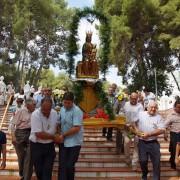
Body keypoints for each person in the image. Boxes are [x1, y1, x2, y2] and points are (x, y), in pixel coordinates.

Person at [29, 97, 60, 180]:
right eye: (44, 110)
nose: (46, 112)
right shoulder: (35, 114)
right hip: (37, 146)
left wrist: (57, 134)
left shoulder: (54, 113)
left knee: (47, 170)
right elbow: (39, 134)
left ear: (51, 108)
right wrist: (54, 137)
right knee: (39, 170)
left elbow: (56, 125)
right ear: (40, 106)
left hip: (49, 146)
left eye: (48, 110)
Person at [134, 101, 165, 180]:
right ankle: (145, 173)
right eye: (151, 107)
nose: (153, 109)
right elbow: (133, 123)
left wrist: (149, 134)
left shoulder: (159, 117)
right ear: (147, 107)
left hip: (153, 143)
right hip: (142, 143)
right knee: (143, 161)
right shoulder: (140, 114)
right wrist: (136, 131)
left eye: (155, 107)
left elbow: (161, 130)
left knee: (156, 163)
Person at [58, 92, 83, 180]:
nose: (66, 105)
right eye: (65, 102)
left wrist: (63, 135)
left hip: (74, 142)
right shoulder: (62, 109)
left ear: (73, 102)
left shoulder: (77, 111)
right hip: (63, 142)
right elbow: (59, 122)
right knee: (62, 165)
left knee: (69, 165)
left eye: (69, 103)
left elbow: (76, 128)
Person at [13, 98, 36, 180]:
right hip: (20, 133)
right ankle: (22, 174)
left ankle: (26, 178)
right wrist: (13, 137)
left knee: (29, 157)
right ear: (28, 105)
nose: (35, 106)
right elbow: (12, 125)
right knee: (21, 157)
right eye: (34, 105)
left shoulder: (35, 112)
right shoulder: (21, 111)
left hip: (31, 133)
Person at [123, 92, 144, 170]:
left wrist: (135, 126)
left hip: (137, 129)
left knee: (137, 146)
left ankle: (134, 163)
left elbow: (141, 116)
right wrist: (124, 124)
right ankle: (127, 160)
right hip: (127, 129)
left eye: (135, 98)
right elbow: (122, 114)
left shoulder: (140, 106)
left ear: (137, 98)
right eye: (132, 98)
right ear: (130, 98)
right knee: (127, 143)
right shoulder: (126, 104)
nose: (134, 100)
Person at [165, 99, 180, 169]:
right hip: (174, 134)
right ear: (175, 107)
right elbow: (165, 125)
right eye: (178, 107)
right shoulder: (171, 115)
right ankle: (172, 162)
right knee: (173, 149)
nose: (179, 109)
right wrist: (165, 133)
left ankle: (175, 159)